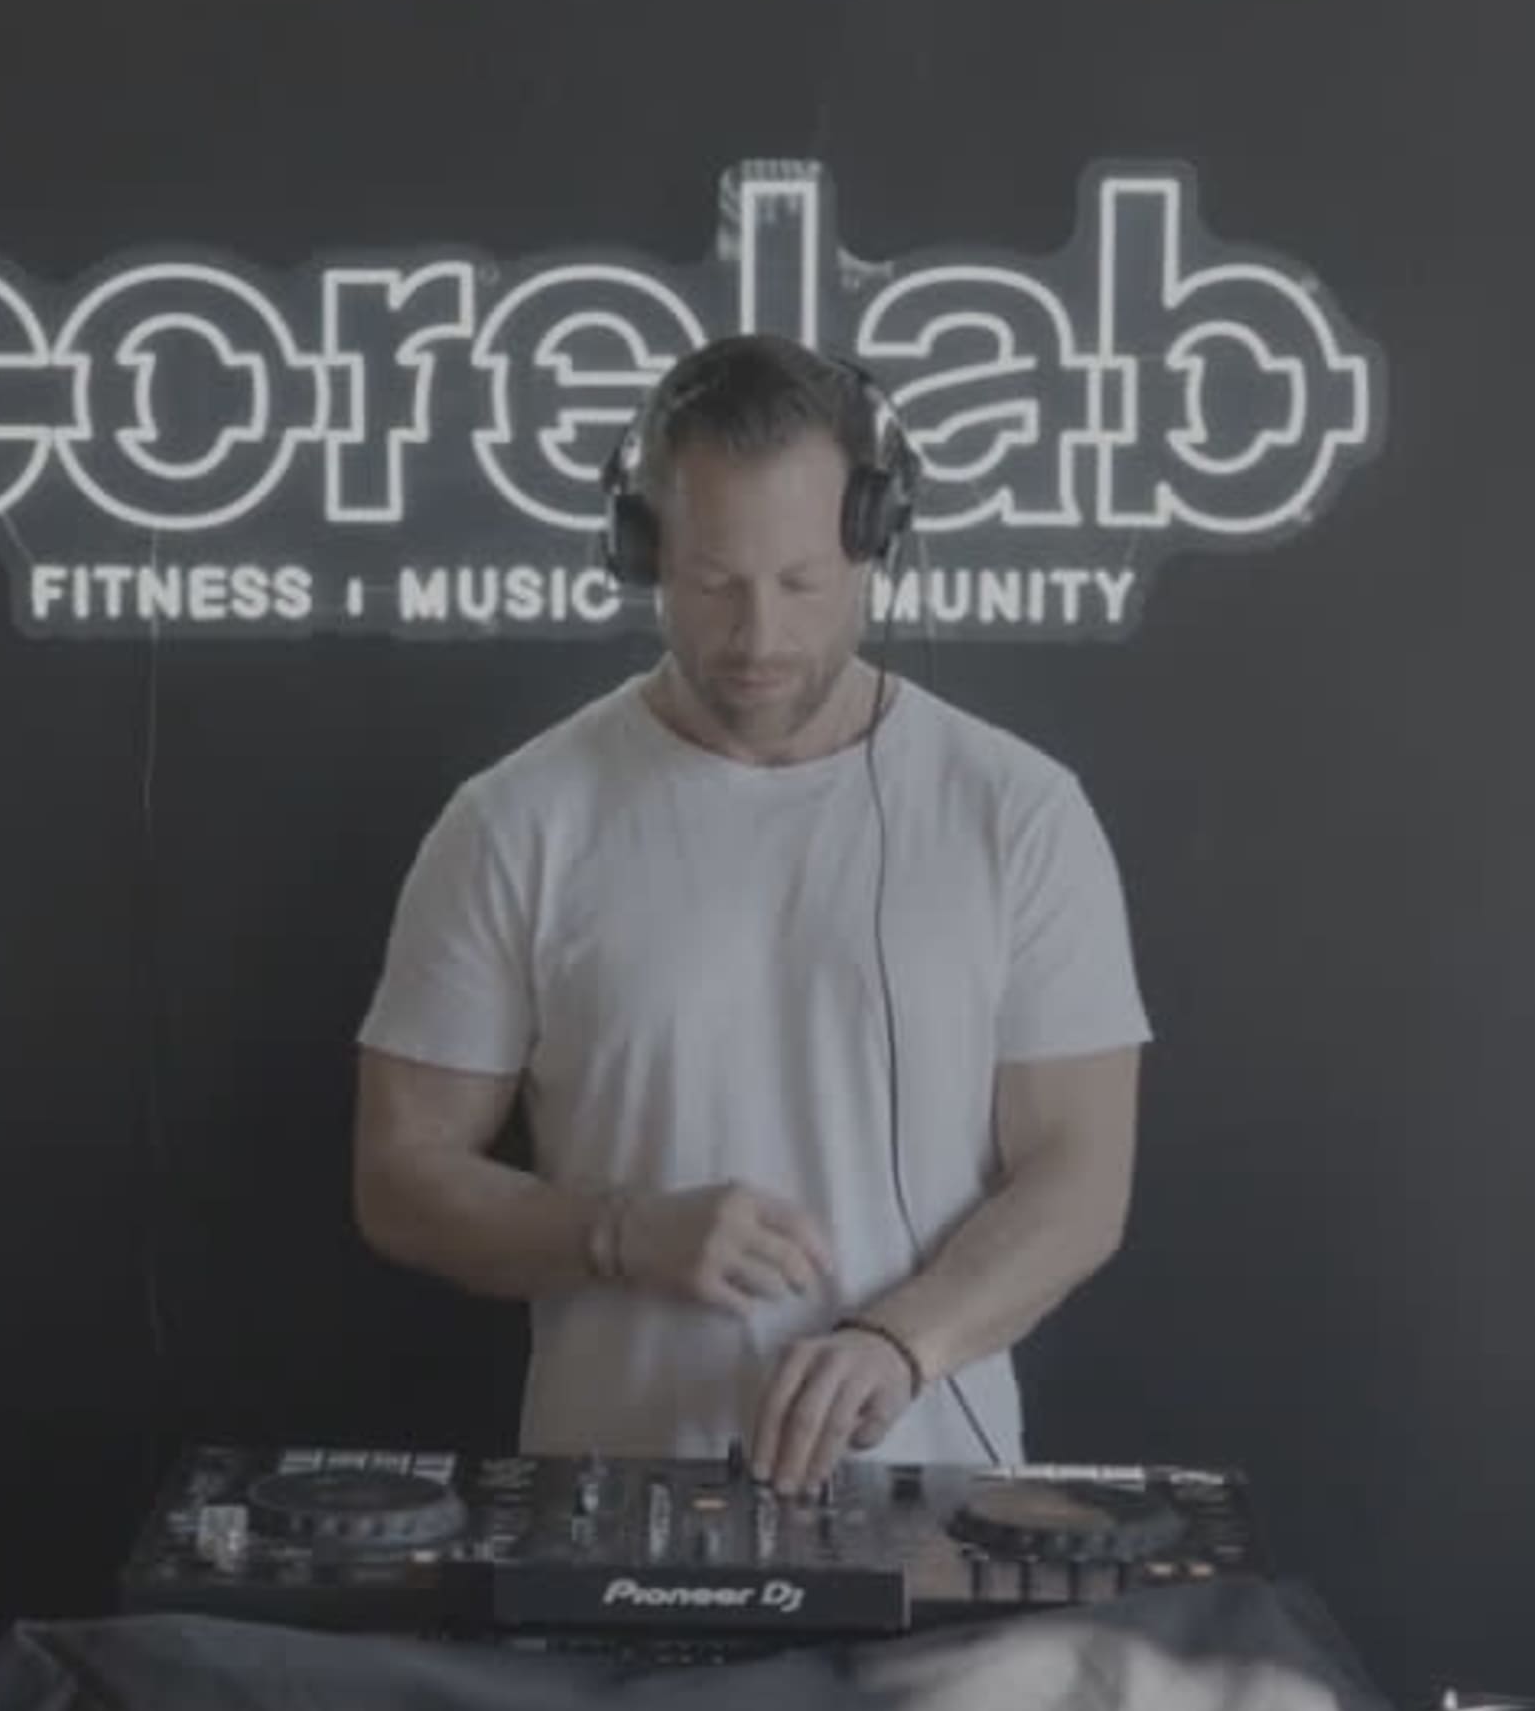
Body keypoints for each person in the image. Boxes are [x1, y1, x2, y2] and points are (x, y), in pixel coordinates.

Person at [348, 331, 1151, 1496]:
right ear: (643, 552)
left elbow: (1081, 1174)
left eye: (803, 585)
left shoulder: (1017, 812)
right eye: (715, 584)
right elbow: (400, 1175)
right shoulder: (515, 819)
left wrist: (901, 1338)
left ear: (873, 544)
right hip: (609, 1510)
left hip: (936, 1514)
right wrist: (617, 1233)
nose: (761, 637)